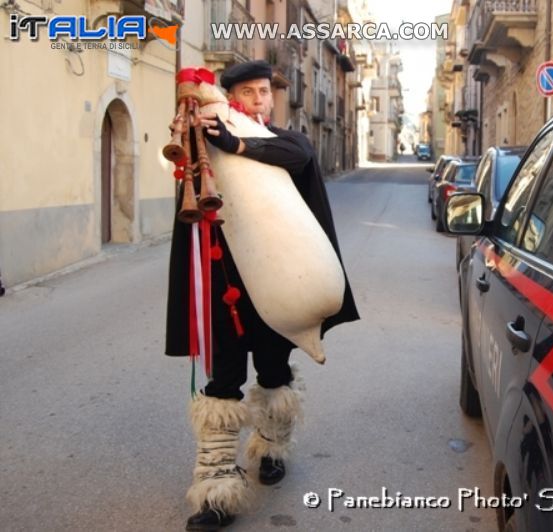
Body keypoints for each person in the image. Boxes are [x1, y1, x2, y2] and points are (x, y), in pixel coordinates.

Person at [164, 60, 359, 531]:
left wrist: (238, 142)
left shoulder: (279, 140)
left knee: (273, 373)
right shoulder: (205, 136)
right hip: (224, 286)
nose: (260, 99)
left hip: (275, 287)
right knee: (222, 386)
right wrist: (199, 132)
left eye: (265, 91)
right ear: (231, 97)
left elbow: (301, 153)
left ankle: (272, 449)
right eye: (249, 92)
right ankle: (214, 493)